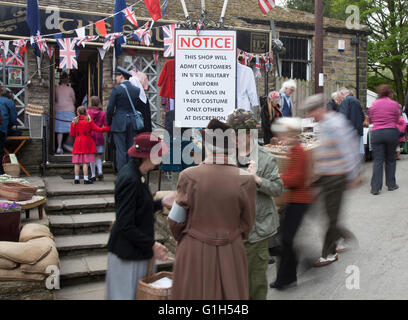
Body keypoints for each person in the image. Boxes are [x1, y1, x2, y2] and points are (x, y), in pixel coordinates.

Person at [168, 119, 256, 300]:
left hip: (193, 251)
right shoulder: (246, 179)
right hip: (231, 250)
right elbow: (248, 224)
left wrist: (184, 238)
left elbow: (175, 220)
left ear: (207, 146)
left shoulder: (188, 176)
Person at [106, 132, 174, 300]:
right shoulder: (131, 179)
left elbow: (139, 208)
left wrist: (161, 202)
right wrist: (152, 245)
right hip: (128, 254)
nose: (161, 158)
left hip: (135, 251)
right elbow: (125, 224)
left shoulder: (137, 174)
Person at [227, 109, 283, 300]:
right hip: (229, 231)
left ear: (250, 134)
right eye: (231, 134)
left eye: (237, 134)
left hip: (256, 232)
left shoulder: (265, 158)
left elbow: (277, 188)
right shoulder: (224, 157)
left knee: (255, 286)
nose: (233, 139)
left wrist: (257, 180)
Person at [300, 94, 360, 267]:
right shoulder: (324, 124)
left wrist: (353, 175)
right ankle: (340, 234)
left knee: (330, 215)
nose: (310, 116)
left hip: (336, 176)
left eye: (311, 112)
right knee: (321, 210)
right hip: (326, 174)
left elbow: (349, 149)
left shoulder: (336, 123)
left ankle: (329, 253)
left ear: (320, 109)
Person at [268, 117, 313, 289]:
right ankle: (289, 274)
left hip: (299, 200)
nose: (281, 138)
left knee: (286, 239)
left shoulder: (298, 151)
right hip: (297, 200)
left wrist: (278, 178)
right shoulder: (296, 149)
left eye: (283, 135)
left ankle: (286, 277)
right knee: (287, 239)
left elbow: (297, 178)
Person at [107, 67, 152, 172]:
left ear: (122, 76)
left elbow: (110, 108)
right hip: (132, 122)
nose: (116, 78)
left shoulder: (117, 89)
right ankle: (130, 172)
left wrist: (109, 122)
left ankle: (123, 174)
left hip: (119, 122)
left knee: (120, 150)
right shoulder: (136, 90)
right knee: (130, 149)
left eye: (117, 76)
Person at [368, 85, 401, 195]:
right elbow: (397, 118)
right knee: (391, 160)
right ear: (389, 93)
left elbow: (371, 118)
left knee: (378, 160)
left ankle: (375, 188)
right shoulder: (394, 104)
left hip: (377, 133)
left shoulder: (374, 104)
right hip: (391, 132)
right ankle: (391, 184)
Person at [70, 106, 110, 184]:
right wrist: (107, 128)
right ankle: (85, 179)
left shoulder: (74, 121)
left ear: (77, 112)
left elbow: (72, 134)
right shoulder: (89, 121)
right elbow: (98, 130)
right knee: (85, 162)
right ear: (86, 112)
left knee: (77, 162)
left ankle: (76, 179)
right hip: (87, 142)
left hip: (78, 142)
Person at [338, 87, 365, 155]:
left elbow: (342, 118)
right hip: (358, 131)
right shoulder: (356, 101)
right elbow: (362, 116)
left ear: (342, 93)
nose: (340, 99)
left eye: (340, 97)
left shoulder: (345, 101)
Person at [55, 72, 76, 154]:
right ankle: (68, 144)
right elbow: (74, 100)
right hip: (69, 110)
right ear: (67, 80)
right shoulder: (70, 89)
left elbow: (55, 99)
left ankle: (59, 147)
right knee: (72, 129)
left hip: (59, 109)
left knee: (60, 130)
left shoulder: (56, 88)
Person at [87, 96, 107, 181]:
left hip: (90, 136)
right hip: (99, 135)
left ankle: (93, 175)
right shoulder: (102, 113)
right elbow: (106, 125)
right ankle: (100, 171)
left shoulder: (88, 112)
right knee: (98, 156)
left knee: (91, 155)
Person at [0, 91, 17, 174]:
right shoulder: (9, 102)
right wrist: (8, 128)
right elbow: (13, 119)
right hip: (1, 128)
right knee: (0, 151)